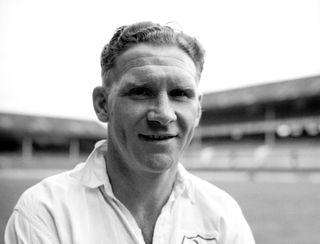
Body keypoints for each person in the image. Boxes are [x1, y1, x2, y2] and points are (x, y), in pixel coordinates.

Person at [5, 21, 255, 244]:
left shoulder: (223, 216)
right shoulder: (45, 213)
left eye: (180, 94)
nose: (164, 114)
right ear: (103, 104)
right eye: (141, 91)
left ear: (198, 109)